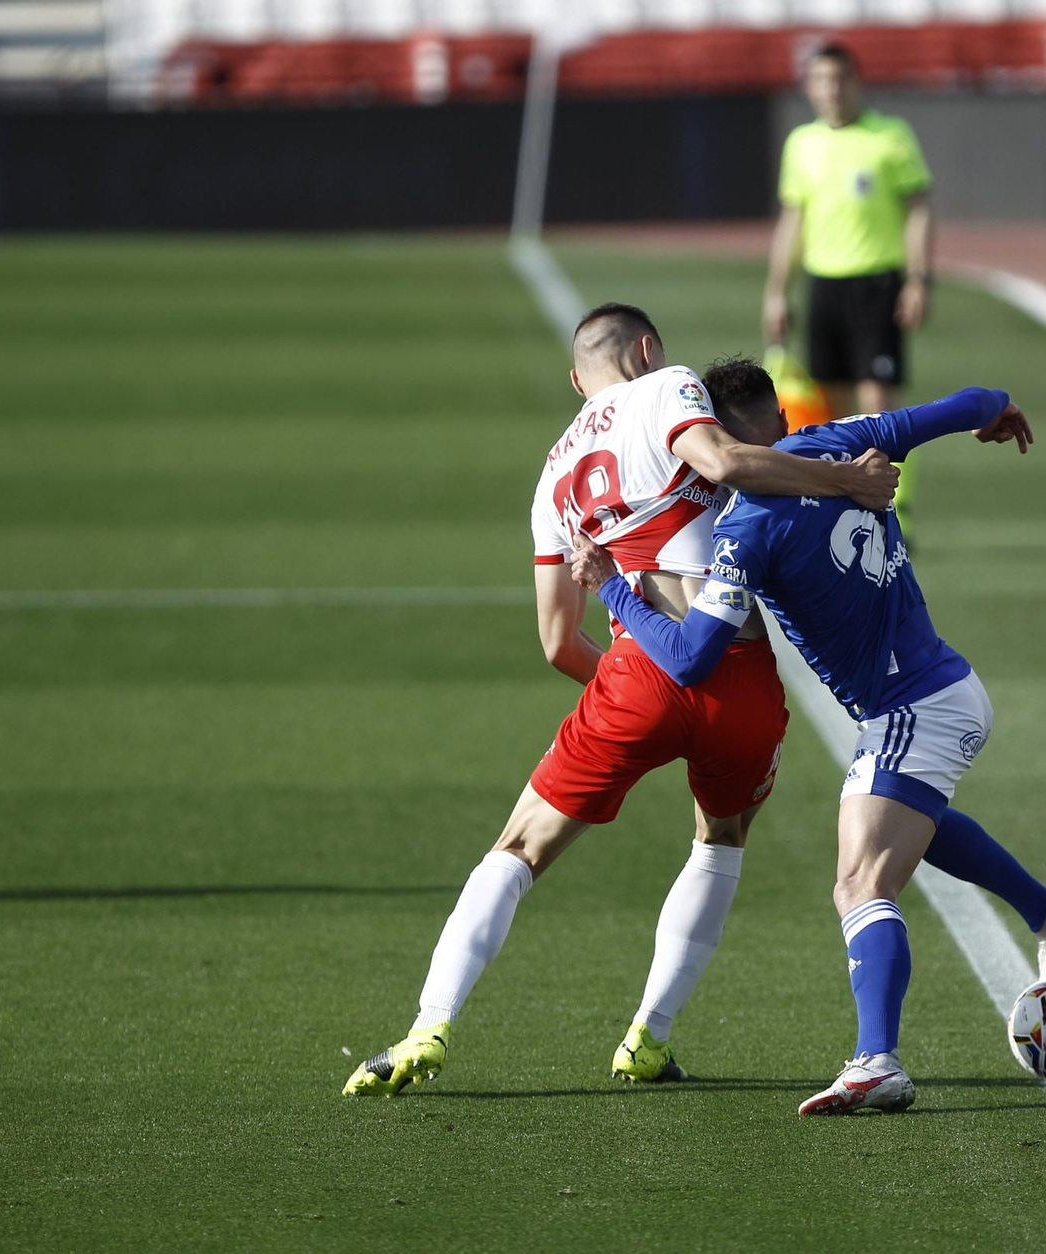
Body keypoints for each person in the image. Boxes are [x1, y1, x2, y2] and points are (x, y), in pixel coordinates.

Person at [343, 306, 899, 1097]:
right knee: (722, 837)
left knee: (520, 846)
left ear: (577, 380)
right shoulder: (669, 388)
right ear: (647, 351)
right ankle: (648, 1037)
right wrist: (846, 479)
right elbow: (728, 462)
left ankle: (428, 1027)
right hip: (737, 676)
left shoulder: (551, 477)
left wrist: (639, 682)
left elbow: (555, 641)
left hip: (635, 673)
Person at [570, 357, 1046, 1116]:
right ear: (781, 420)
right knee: (907, 823)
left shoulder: (748, 523)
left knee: (861, 883)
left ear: (717, 436)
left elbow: (691, 658)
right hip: (940, 686)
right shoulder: (844, 437)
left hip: (911, 705)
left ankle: (876, 1060)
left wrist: (613, 584)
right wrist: (999, 409)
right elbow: (964, 402)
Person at [762, 42, 934, 528]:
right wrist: (777, 289)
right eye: (821, 80)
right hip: (823, 286)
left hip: (877, 283)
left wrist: (918, 279)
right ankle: (842, 499)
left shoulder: (890, 137)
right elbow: (792, 221)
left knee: (878, 406)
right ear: (809, 87)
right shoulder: (802, 143)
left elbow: (918, 211)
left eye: (839, 79)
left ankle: (896, 507)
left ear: (856, 82)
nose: (831, 89)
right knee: (830, 410)